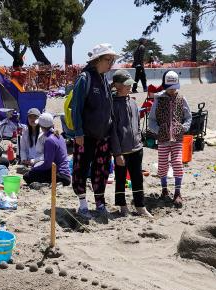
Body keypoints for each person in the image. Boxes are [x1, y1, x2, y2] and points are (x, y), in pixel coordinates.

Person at [66, 43, 116, 219]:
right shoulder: (84, 78)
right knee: (80, 168)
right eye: (108, 60)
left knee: (102, 170)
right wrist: (78, 132)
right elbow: (76, 107)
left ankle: (100, 202)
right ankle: (82, 204)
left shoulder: (104, 79)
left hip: (103, 135)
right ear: (97, 60)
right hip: (85, 135)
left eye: (112, 60)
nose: (111, 64)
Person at [109, 70, 152, 218]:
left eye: (130, 84)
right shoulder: (112, 105)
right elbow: (113, 131)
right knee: (121, 179)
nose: (129, 87)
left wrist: (139, 140)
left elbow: (137, 124)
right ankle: (122, 206)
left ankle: (140, 206)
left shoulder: (132, 102)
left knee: (137, 178)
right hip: (122, 151)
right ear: (117, 85)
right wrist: (117, 153)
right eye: (126, 85)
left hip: (137, 148)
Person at [147, 70, 191, 208]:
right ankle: (164, 189)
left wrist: (183, 128)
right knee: (162, 165)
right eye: (170, 88)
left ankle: (177, 192)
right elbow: (151, 120)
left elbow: (188, 117)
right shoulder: (158, 100)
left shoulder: (182, 99)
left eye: (174, 88)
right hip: (163, 139)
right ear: (165, 86)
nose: (172, 90)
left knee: (177, 163)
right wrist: (158, 130)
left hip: (177, 138)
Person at [24, 113, 71, 186]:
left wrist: (34, 169)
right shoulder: (59, 136)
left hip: (60, 175)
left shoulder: (49, 140)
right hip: (65, 173)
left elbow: (47, 164)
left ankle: (46, 184)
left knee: (27, 176)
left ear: (41, 126)